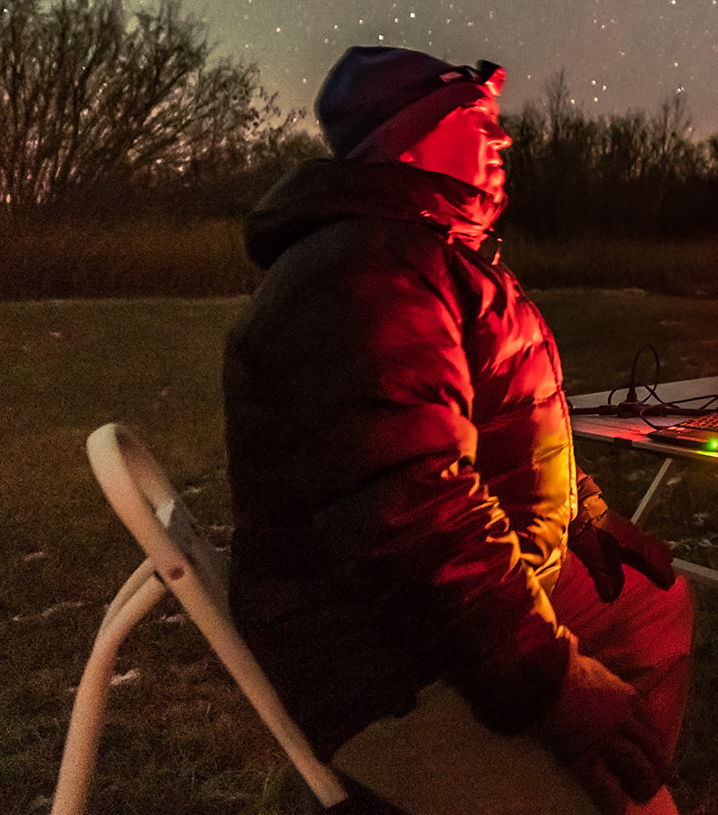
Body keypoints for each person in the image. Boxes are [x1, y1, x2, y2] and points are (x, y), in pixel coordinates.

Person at [223, 46, 692, 815]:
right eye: (479, 122)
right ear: (408, 138)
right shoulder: (359, 276)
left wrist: (589, 515)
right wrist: (552, 687)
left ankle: (610, 769)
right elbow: (415, 517)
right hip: (383, 649)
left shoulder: (431, 250)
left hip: (473, 590)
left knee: (653, 605)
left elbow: (510, 423)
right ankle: (571, 782)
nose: (503, 142)